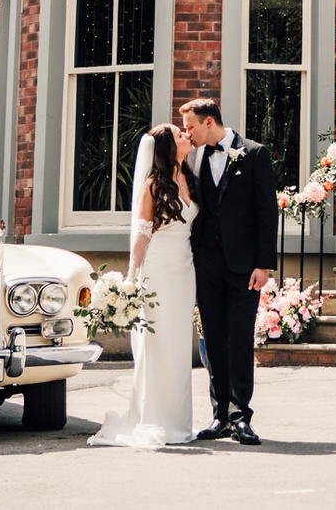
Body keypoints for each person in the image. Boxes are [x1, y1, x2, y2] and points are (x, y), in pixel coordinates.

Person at [87, 124, 199, 448]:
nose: (186, 136)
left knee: (178, 347)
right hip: (159, 270)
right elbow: (142, 232)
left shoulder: (189, 178)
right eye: (179, 134)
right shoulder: (154, 184)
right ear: (166, 147)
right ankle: (153, 420)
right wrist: (132, 277)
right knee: (156, 345)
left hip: (184, 269)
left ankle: (179, 424)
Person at [180, 97, 278, 445]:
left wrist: (264, 264)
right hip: (206, 264)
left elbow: (267, 212)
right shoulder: (191, 158)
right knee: (214, 341)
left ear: (209, 122)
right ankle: (219, 415)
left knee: (239, 340)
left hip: (243, 268)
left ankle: (241, 416)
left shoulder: (253, 154)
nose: (187, 133)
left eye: (190, 126)